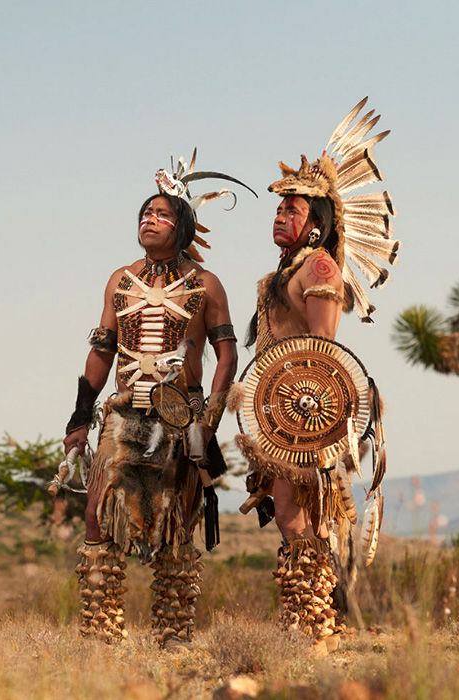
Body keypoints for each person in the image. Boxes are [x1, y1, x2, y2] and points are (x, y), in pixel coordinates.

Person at [61, 153, 253, 648]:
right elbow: (101, 351)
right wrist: (81, 418)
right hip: (123, 415)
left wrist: (207, 419)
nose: (149, 220)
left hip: (180, 415)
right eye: (144, 213)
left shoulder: (206, 286)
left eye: (161, 214)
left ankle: (172, 634)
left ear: (183, 227)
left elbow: (226, 355)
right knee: (99, 514)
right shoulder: (119, 281)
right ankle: (100, 633)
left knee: (176, 520)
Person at [233, 98, 397, 646]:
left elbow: (323, 349)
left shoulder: (320, 267)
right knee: (289, 513)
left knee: (300, 513)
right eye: (278, 210)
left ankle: (316, 620)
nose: (279, 216)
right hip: (282, 410)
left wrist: (306, 416)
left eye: (292, 210)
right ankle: (311, 616)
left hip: (310, 409)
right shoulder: (285, 273)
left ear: (315, 225)